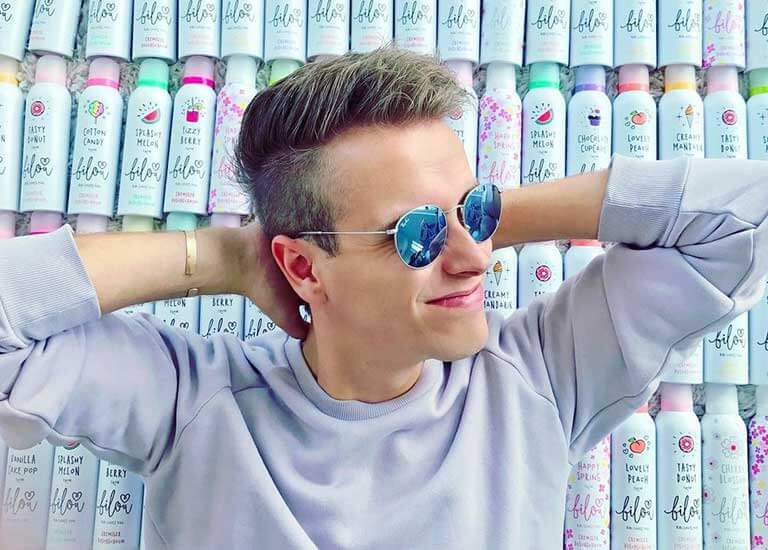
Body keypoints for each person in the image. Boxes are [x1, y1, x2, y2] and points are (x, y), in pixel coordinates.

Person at [0, 47, 765, 549]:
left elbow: (746, 221)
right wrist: (226, 257)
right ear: (303, 268)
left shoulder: (540, 375)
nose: (476, 261)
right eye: (417, 234)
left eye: (477, 216)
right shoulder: (193, 401)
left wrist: (481, 215)